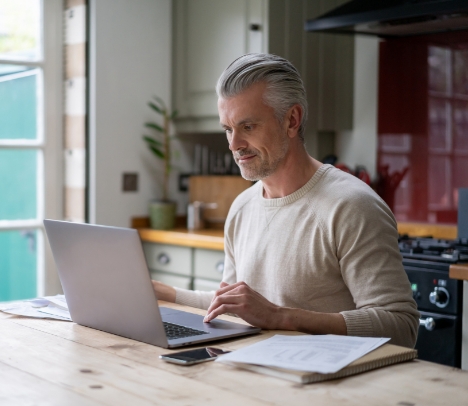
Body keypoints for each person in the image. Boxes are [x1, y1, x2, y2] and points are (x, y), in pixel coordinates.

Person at [153, 53, 419, 348]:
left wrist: (284, 317)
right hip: (258, 379)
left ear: (292, 120)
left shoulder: (352, 206)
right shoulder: (242, 208)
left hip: (330, 387)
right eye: (228, 129)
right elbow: (232, 304)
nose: (233, 144)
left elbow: (401, 327)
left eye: (248, 127)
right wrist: (164, 293)